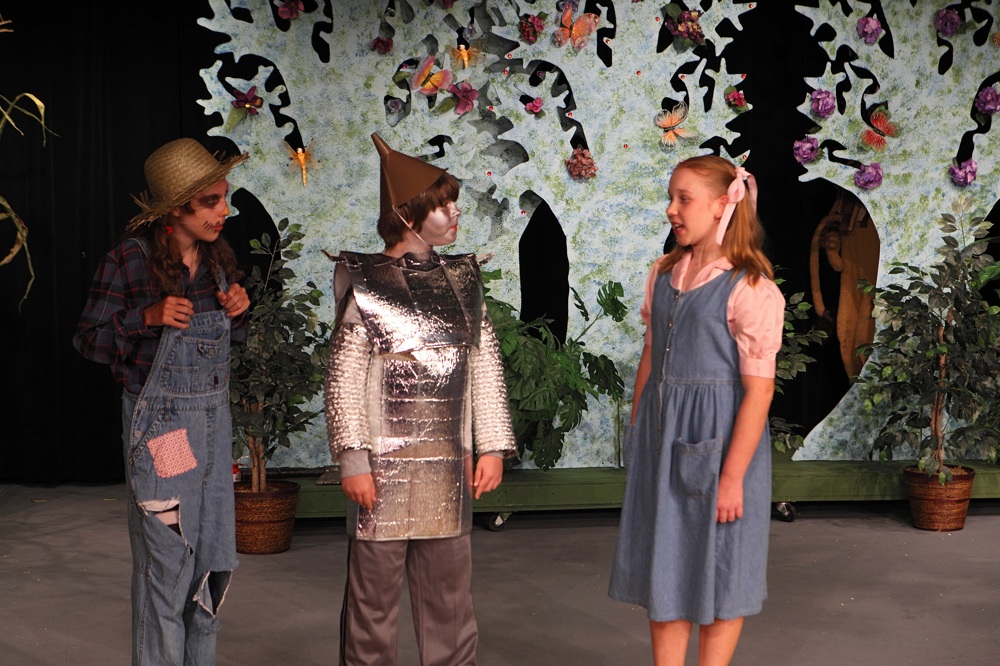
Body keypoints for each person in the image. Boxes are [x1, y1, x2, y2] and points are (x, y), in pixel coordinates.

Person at [324, 133, 516, 666]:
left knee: (450, 602)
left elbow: (484, 365)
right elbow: (344, 377)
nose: (455, 213)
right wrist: (353, 460)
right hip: (380, 471)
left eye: (453, 202)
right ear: (409, 216)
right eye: (442, 205)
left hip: (446, 467)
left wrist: (492, 446)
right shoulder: (365, 281)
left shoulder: (463, 279)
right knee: (372, 603)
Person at [73, 138, 250, 665]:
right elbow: (88, 340)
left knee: (212, 565)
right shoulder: (131, 260)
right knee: (169, 563)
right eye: (211, 201)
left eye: (224, 197)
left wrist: (238, 313)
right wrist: (145, 319)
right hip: (166, 435)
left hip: (214, 435)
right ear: (175, 210)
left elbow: (227, 348)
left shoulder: (218, 262)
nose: (224, 211)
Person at [608, 155, 785, 666]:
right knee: (664, 563)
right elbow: (650, 356)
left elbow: (759, 392)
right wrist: (639, 430)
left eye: (684, 199)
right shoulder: (663, 273)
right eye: (671, 197)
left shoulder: (749, 287)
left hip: (721, 444)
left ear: (722, 206)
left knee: (722, 567)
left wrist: (731, 478)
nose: (672, 209)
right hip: (662, 438)